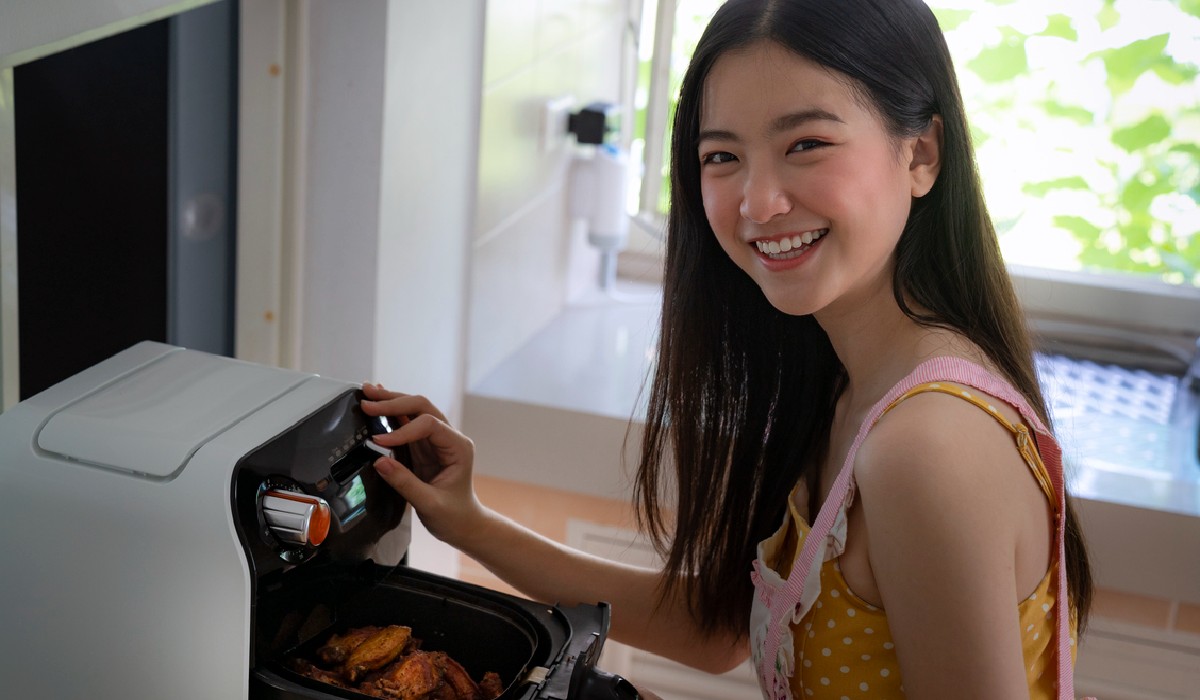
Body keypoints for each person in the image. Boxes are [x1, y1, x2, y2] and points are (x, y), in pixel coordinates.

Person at [361, 0, 1094, 697]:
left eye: (806, 144)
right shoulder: (850, 381)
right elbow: (717, 629)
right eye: (722, 157)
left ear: (921, 154)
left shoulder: (927, 446)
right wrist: (468, 521)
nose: (758, 202)